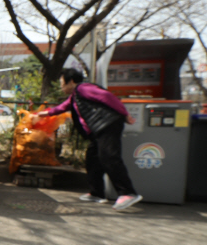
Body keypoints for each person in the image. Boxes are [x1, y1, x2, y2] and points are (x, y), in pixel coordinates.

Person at [36, 68, 143, 211]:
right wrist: (43, 114)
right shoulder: (75, 96)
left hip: (107, 125)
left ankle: (127, 193)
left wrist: (125, 114)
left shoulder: (83, 88)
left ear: (71, 81)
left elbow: (107, 97)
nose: (61, 88)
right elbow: (61, 108)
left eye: (62, 84)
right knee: (92, 159)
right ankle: (97, 193)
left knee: (109, 157)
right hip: (98, 130)